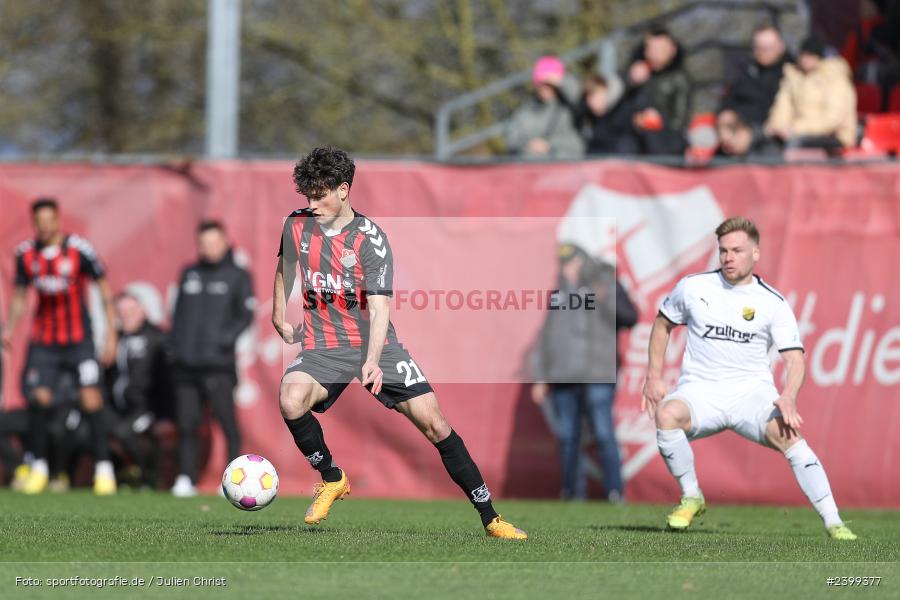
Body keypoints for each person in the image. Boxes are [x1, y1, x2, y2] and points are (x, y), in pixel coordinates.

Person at [274, 146, 526, 539]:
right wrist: (278, 314)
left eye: (320, 195)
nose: (312, 203)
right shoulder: (297, 225)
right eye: (307, 196)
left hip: (376, 345)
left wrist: (373, 360)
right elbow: (285, 264)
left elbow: (378, 310)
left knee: (435, 424)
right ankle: (332, 478)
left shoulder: (370, 240)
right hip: (325, 345)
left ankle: (491, 518)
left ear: (343, 190)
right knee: (290, 399)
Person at [641, 216, 857, 541]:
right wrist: (653, 377)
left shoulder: (772, 302)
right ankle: (692, 496)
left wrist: (789, 395)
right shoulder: (694, 287)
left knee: (792, 439)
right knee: (666, 414)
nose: (729, 257)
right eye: (724, 251)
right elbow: (662, 324)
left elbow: (794, 358)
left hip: (751, 395)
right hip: (701, 391)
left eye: (737, 251)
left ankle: (834, 522)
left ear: (755, 254)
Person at [1, 198, 118, 495]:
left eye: (48, 220)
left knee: (91, 400)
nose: (43, 226)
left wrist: (111, 335)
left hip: (80, 340)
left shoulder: (80, 249)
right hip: (44, 340)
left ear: (58, 220)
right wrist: (9, 328)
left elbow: (104, 289)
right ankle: (39, 467)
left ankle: (104, 469)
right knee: (39, 399)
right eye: (38, 221)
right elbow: (19, 294)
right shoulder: (26, 254)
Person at [531, 245, 637, 502]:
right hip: (565, 373)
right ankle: (571, 493)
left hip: (597, 373)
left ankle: (614, 493)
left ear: (583, 260)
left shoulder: (604, 281)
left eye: (571, 261)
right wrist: (542, 375)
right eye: (563, 263)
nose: (567, 267)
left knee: (603, 433)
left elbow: (630, 316)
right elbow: (549, 336)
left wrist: (605, 297)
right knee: (567, 436)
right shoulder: (560, 291)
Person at [170, 220, 254, 497]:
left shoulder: (238, 275)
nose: (210, 248)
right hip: (186, 365)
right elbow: (178, 314)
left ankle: (230, 480)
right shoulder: (189, 272)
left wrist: (223, 340)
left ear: (225, 242)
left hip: (218, 365)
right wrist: (176, 346)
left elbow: (245, 315)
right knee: (187, 423)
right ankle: (185, 478)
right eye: (204, 243)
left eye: (214, 242)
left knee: (227, 423)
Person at [105, 292, 171, 487]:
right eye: (121, 312)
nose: (126, 316)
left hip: (146, 408)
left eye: (130, 311)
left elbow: (166, 379)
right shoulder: (114, 339)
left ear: (143, 311)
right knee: (96, 429)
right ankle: (121, 475)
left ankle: (147, 477)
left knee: (124, 432)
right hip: (119, 407)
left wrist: (165, 413)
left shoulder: (157, 338)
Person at [765, 36, 857, 152]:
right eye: (802, 54)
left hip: (835, 137)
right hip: (798, 132)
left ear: (818, 57)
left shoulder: (835, 78)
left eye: (809, 55)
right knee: (766, 142)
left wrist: (794, 129)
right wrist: (777, 127)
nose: (804, 59)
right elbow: (782, 107)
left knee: (794, 144)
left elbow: (832, 120)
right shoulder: (794, 76)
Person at [619, 28, 691, 155]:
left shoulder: (679, 79)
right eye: (651, 49)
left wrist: (658, 121)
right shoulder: (636, 75)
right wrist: (630, 81)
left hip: (664, 143)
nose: (655, 54)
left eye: (660, 49)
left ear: (672, 50)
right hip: (634, 142)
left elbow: (679, 122)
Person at [505, 56, 585, 159]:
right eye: (542, 83)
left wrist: (549, 144)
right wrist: (530, 145)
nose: (545, 88)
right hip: (533, 167)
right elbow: (513, 139)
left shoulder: (568, 107)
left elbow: (577, 93)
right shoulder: (527, 110)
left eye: (550, 84)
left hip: (565, 166)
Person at [719, 24, 792, 130]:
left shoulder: (791, 73)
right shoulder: (747, 70)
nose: (762, 53)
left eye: (767, 48)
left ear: (781, 46)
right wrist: (725, 114)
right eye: (758, 48)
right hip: (737, 128)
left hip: (768, 131)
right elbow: (729, 99)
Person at [579, 74, 629, 155]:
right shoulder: (586, 120)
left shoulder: (622, 117)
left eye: (595, 96)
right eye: (588, 97)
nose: (591, 101)